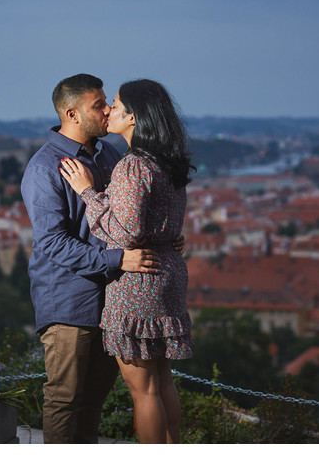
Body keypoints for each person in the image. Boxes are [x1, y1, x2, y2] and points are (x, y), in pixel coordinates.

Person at [20, 73, 163, 443]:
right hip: (69, 300)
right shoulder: (44, 168)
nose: (107, 110)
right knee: (65, 399)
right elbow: (52, 244)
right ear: (71, 113)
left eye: (106, 103)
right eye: (97, 105)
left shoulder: (108, 154)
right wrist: (119, 259)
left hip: (111, 298)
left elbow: (127, 218)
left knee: (94, 399)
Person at [59, 79, 194, 444]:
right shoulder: (167, 162)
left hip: (138, 281)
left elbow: (126, 234)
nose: (108, 111)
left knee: (144, 390)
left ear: (133, 117)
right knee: (162, 380)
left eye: (115, 105)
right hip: (167, 272)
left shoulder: (133, 165)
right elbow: (161, 223)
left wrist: (87, 192)